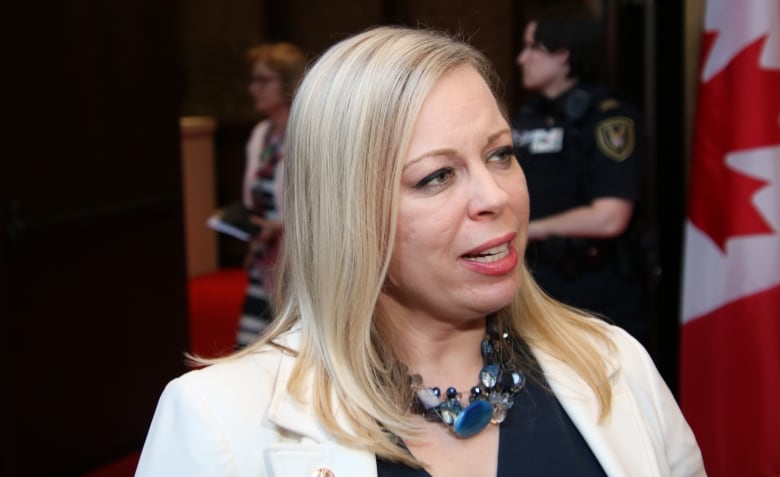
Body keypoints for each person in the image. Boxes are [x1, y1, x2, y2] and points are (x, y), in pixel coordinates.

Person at [136, 26, 703, 476]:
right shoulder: (218, 419)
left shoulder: (615, 364)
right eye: (436, 177)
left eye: (501, 154)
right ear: (347, 212)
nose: (495, 196)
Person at [512, 2, 652, 345]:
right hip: (531, 282)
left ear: (562, 54)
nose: (521, 58)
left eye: (532, 47)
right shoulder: (527, 115)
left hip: (590, 286)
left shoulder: (607, 119)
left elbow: (609, 217)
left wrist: (528, 230)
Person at [236, 42, 306, 347]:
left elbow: (315, 204)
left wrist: (278, 226)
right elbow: (256, 198)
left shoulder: (304, 133)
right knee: (252, 349)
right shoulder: (260, 135)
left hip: (298, 265)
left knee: (292, 350)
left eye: (264, 81)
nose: (254, 89)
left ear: (287, 84)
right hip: (265, 262)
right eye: (253, 80)